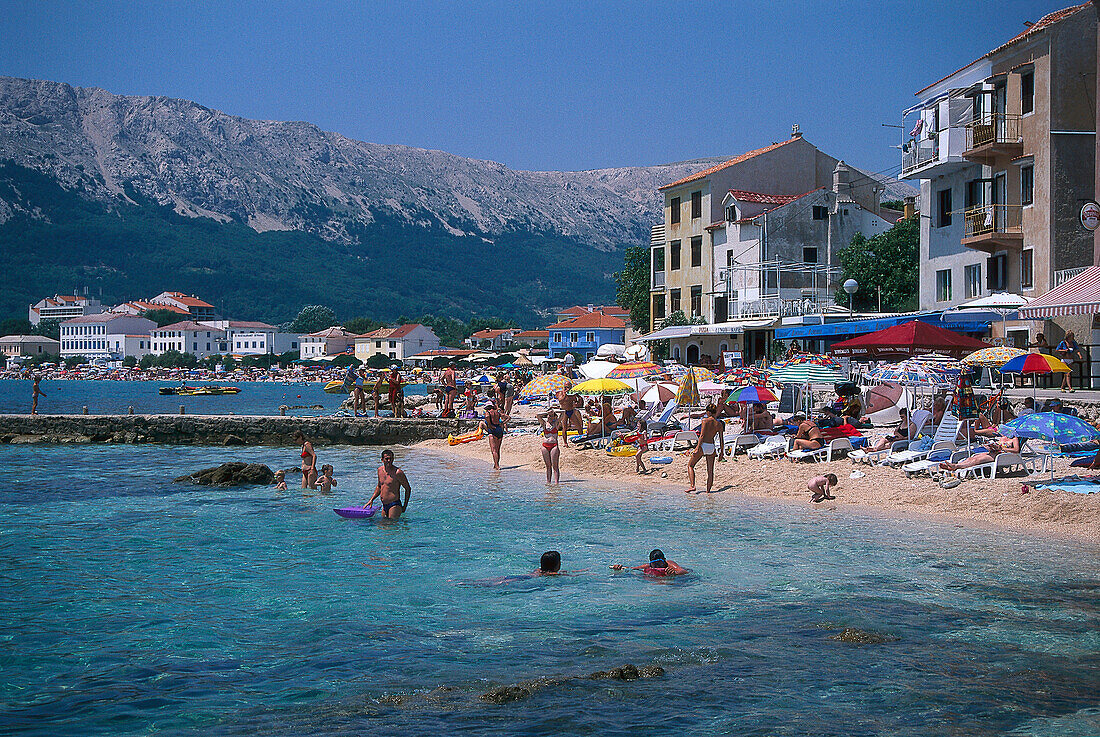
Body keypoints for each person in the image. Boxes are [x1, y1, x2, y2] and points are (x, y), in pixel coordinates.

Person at [367, 448, 411, 519]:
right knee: (382, 527)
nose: (389, 461)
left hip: (394, 504)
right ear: (382, 460)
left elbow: (408, 489)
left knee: (391, 526)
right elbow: (379, 486)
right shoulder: (380, 470)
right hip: (384, 505)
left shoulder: (398, 473)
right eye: (386, 459)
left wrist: (404, 506)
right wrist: (372, 499)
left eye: (391, 458)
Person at [687, 404, 721, 493]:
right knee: (710, 471)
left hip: (703, 446)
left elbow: (702, 435)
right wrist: (721, 453)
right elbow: (722, 440)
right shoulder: (719, 424)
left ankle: (692, 486)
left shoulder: (705, 420)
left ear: (708, 412)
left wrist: (697, 448)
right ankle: (708, 492)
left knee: (690, 465)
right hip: (711, 447)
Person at [940, 436, 1021, 472]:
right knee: (972, 457)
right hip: (993, 453)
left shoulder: (1014, 439)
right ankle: (955, 466)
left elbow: (1016, 450)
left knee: (977, 460)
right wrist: (990, 446)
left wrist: (1002, 448)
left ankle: (956, 466)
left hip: (1001, 456)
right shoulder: (1003, 438)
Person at [611, 548, 689, 577]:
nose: (658, 566)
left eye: (660, 563)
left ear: (664, 560)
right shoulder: (648, 566)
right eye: (655, 564)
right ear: (651, 563)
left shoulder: (669, 563)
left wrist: (674, 573)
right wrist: (618, 568)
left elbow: (684, 571)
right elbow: (631, 569)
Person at [537, 409, 562, 483]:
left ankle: (556, 483)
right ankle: (548, 483)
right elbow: (538, 415)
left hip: (554, 445)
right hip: (545, 446)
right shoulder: (544, 424)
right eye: (548, 416)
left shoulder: (556, 423)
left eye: (551, 416)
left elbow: (563, 412)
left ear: (554, 417)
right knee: (548, 466)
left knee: (555, 466)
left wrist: (554, 411)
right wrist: (547, 412)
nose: (549, 417)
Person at [480, 401, 507, 470]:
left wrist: (489, 425)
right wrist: (503, 423)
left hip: (492, 430)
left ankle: (497, 466)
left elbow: (487, 416)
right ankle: (496, 464)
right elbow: (508, 417)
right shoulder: (497, 412)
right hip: (499, 429)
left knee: (494, 450)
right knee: (498, 449)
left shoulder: (488, 413)